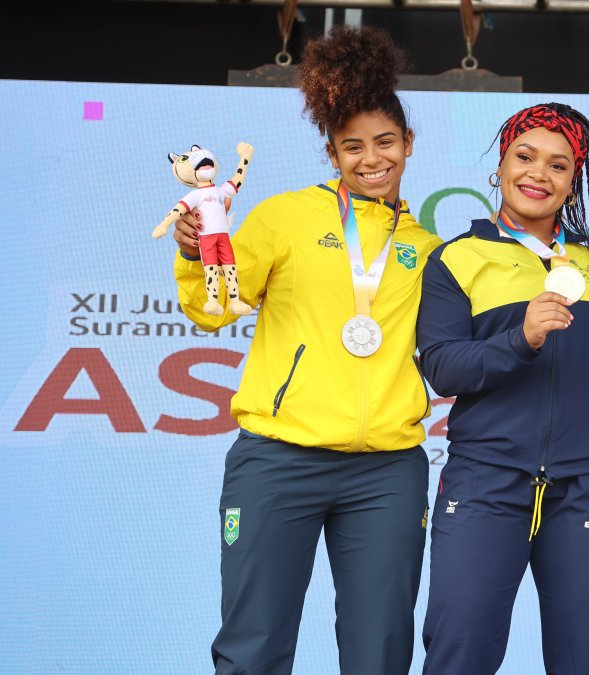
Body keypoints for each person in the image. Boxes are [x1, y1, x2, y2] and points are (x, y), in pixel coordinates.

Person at [168, 26, 440, 674]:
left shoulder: (429, 249)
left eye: (384, 143)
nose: (371, 158)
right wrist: (192, 248)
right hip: (278, 460)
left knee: (380, 655)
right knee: (254, 647)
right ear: (331, 151)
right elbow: (216, 307)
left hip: (388, 471)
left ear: (408, 144)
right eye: (353, 147)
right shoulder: (284, 217)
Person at [416, 103, 589, 675]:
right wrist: (522, 338)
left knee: (587, 659)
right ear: (501, 167)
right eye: (525, 157)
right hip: (487, 478)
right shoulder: (456, 258)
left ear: (572, 182)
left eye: (559, 166)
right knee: (458, 652)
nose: (539, 174)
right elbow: (441, 366)